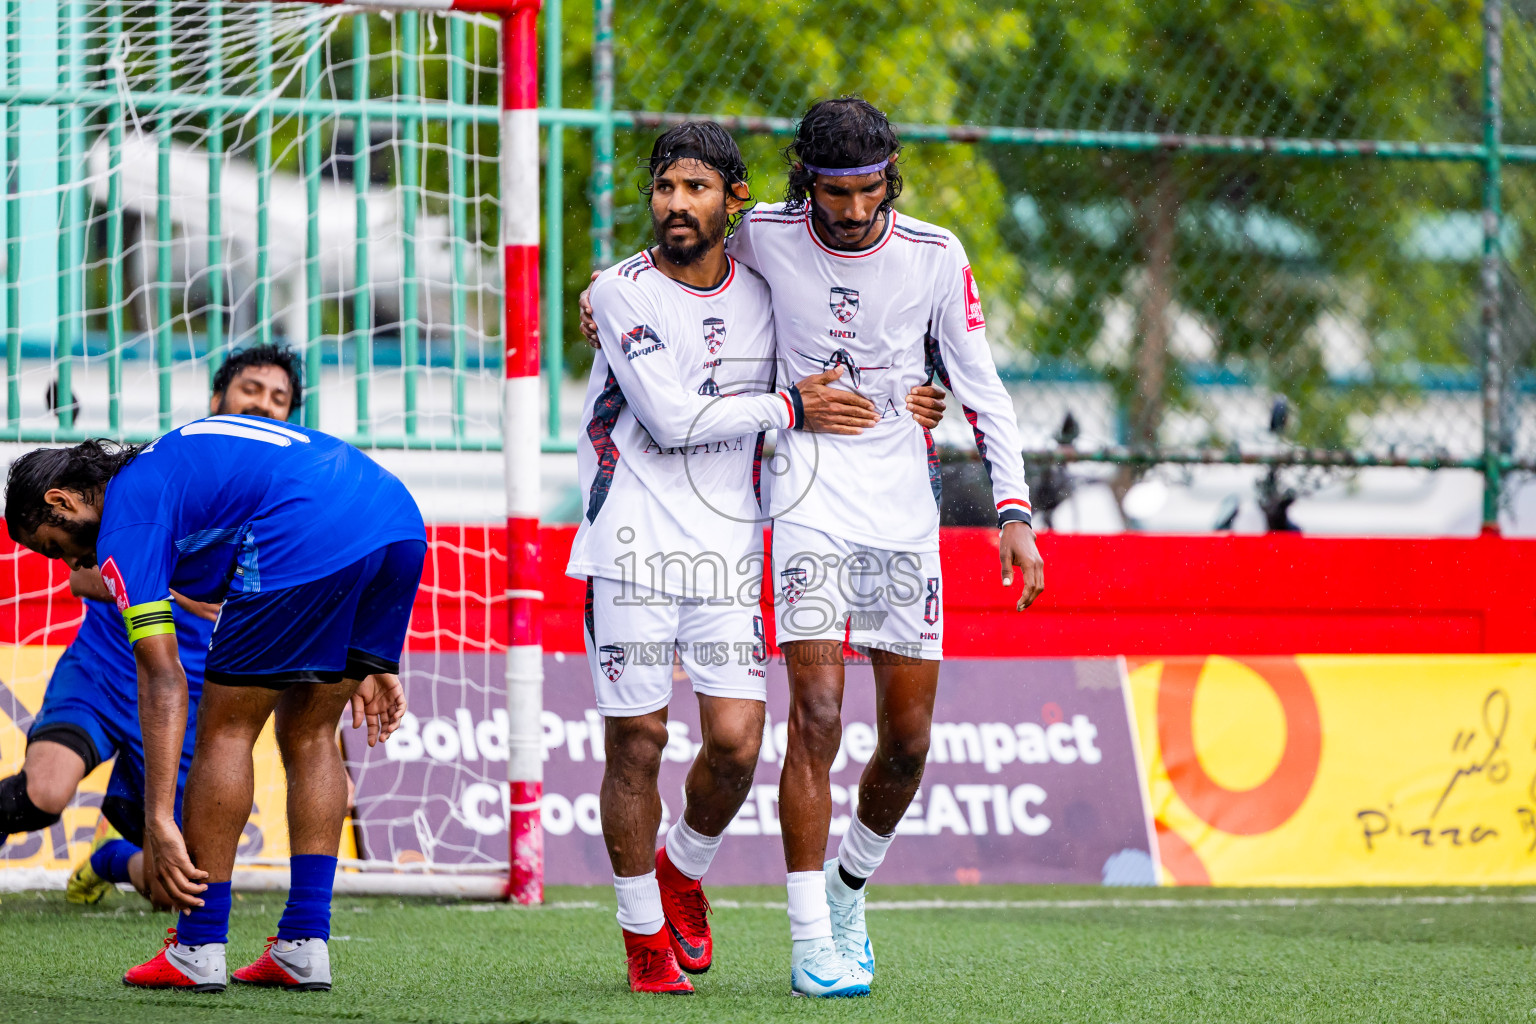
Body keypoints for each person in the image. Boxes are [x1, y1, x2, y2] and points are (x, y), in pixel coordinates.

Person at [581, 96, 1045, 996]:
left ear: (890, 181)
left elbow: (982, 386)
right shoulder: (765, 234)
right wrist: (606, 296)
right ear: (807, 184)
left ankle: (845, 891)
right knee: (818, 719)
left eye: (871, 190)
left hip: (903, 512)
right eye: (836, 192)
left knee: (908, 742)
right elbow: (679, 258)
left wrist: (1013, 510)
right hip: (801, 501)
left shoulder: (937, 255)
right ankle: (808, 946)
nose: (855, 209)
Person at [4, 406, 424, 994]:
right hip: (394, 521)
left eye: (54, 547)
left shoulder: (126, 519)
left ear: (62, 501)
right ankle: (304, 943)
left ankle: (199, 947)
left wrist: (156, 820)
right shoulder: (168, 462)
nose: (71, 565)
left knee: (226, 732)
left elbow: (164, 678)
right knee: (310, 732)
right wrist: (366, 655)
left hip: (305, 531)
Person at [0, 344, 303, 909]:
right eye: (251, 390)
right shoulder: (161, 470)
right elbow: (85, 577)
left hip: (186, 698)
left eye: (279, 398)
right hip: (110, 671)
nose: (264, 404)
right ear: (218, 400)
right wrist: (187, 593)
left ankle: (109, 860)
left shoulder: (277, 499)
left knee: (183, 883)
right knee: (44, 792)